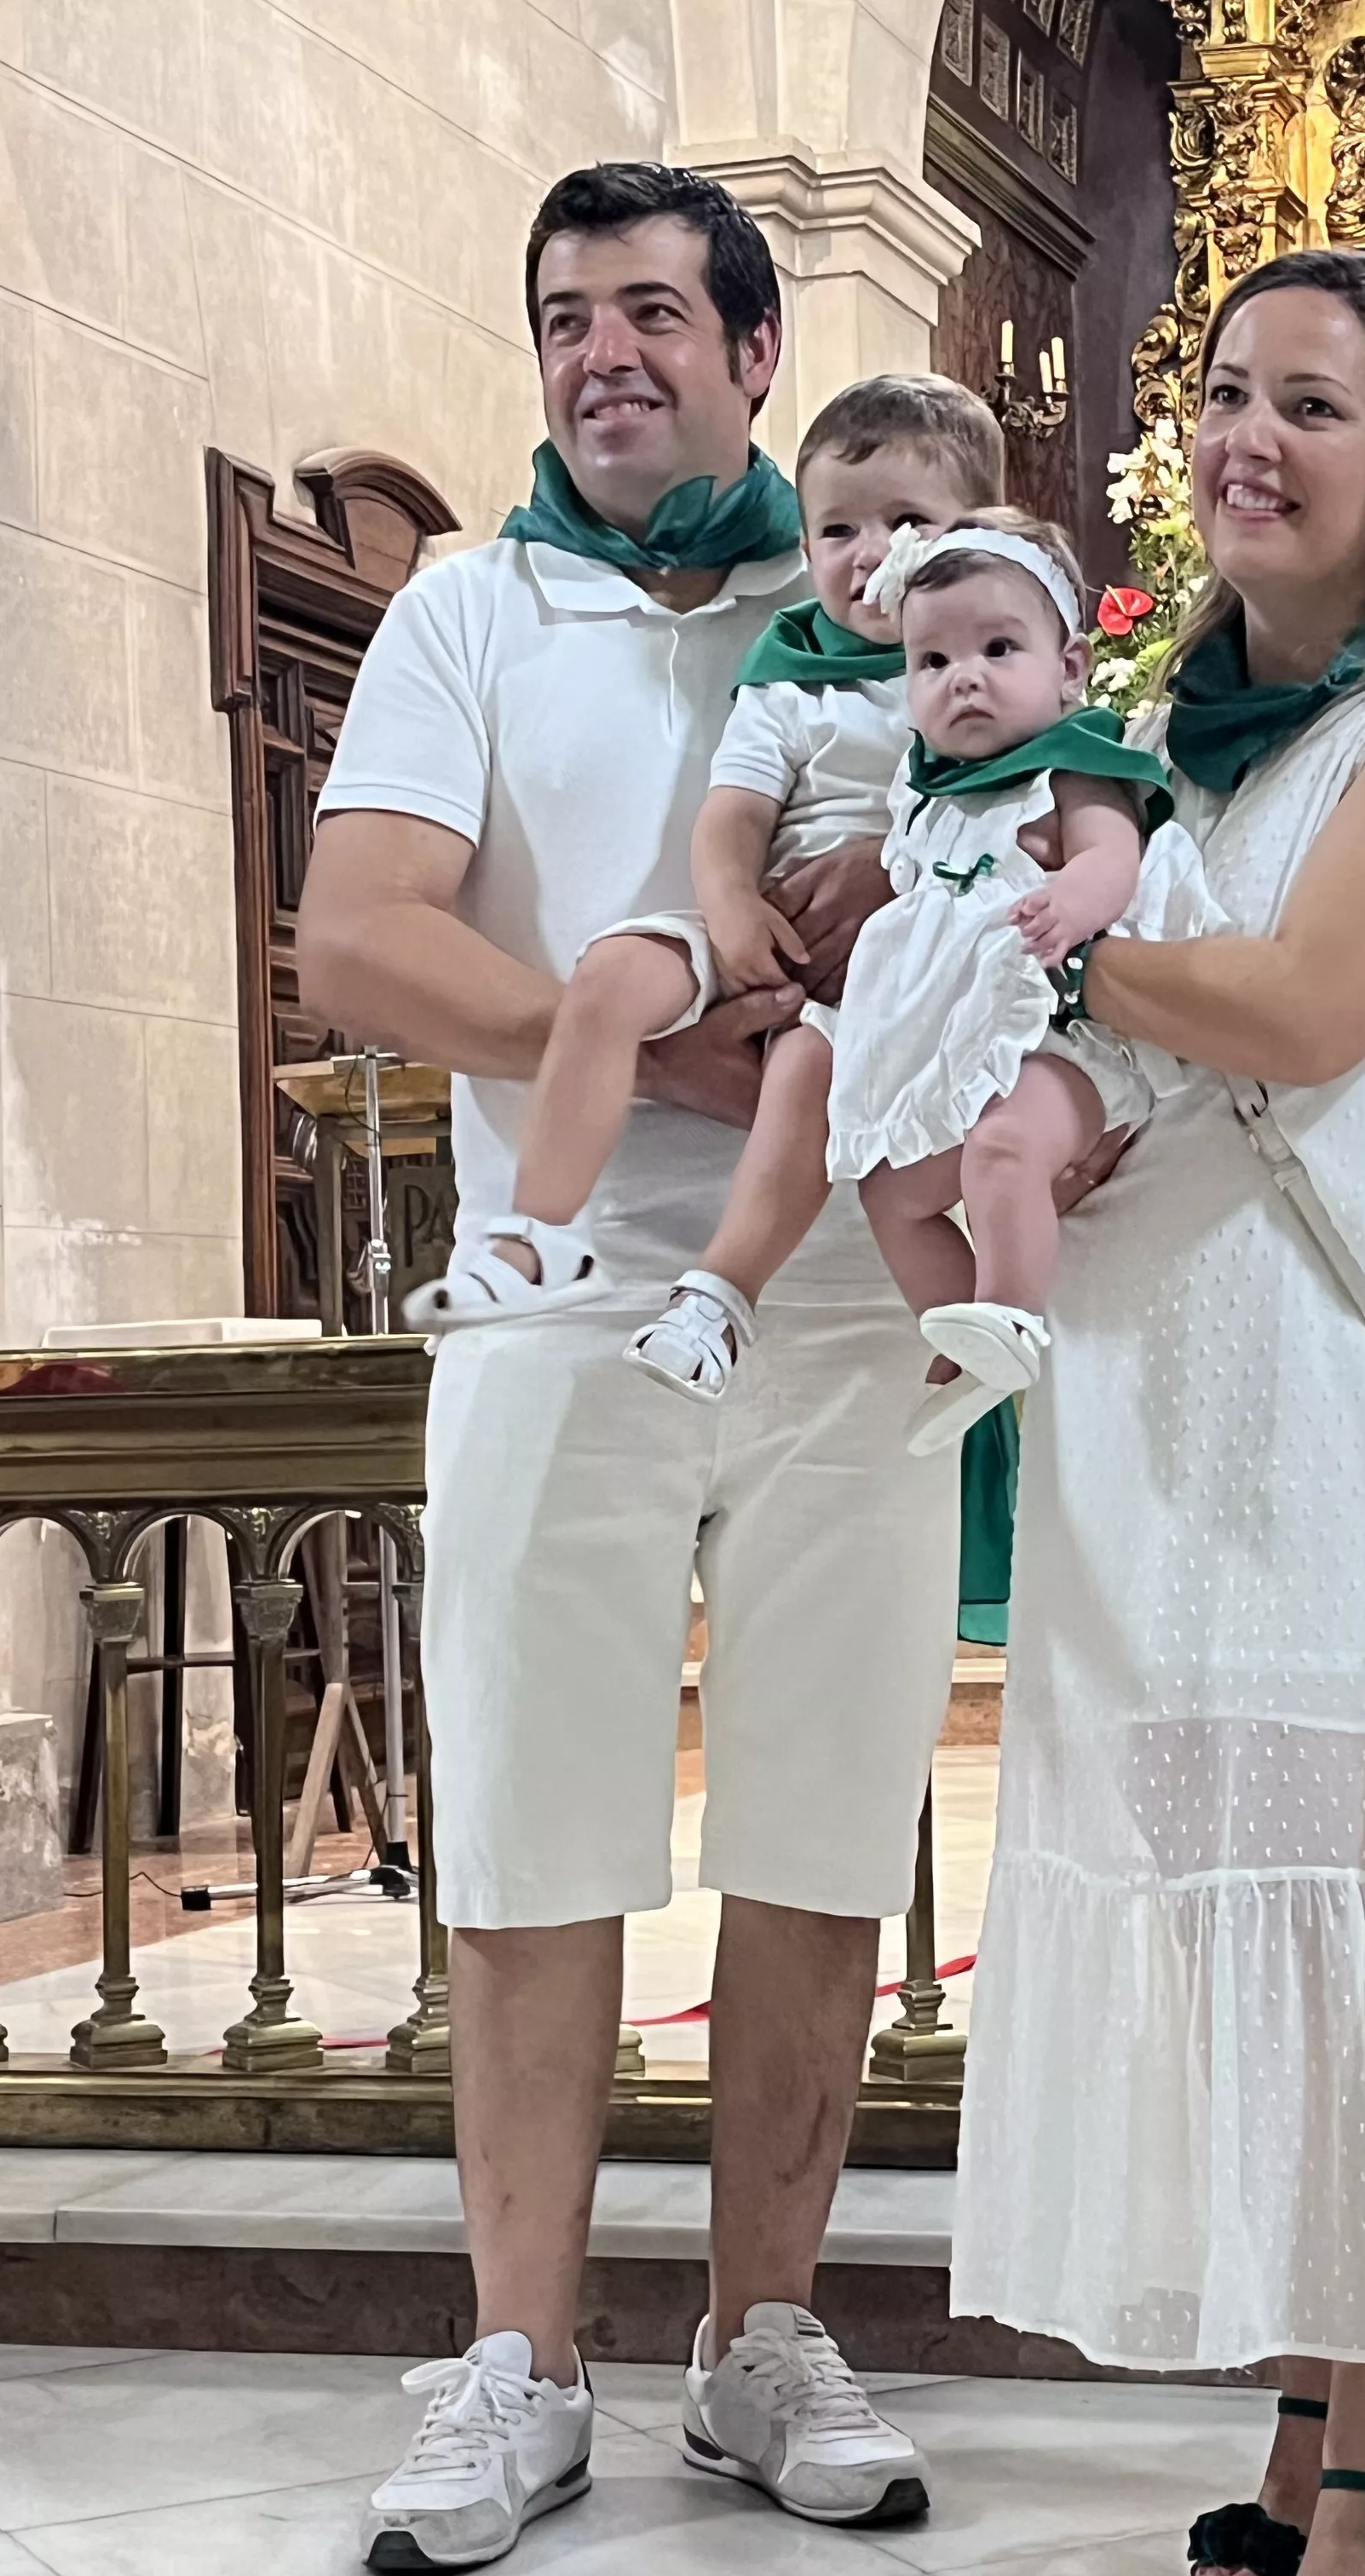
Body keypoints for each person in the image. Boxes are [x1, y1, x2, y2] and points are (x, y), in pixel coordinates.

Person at [299, 163, 950, 2571]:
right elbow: (358, 934)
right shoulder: (470, 606)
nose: (607, 355)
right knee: (541, 1837)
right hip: (560, 1295)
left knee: (816, 1829)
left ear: (755, 351)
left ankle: (758, 2338)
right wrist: (658, 1060)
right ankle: (517, 2363)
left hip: (842, 1305)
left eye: (659, 313)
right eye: (568, 317)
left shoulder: (874, 591)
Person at [946, 249, 1365, 2576]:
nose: (1246, 438)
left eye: (1308, 406)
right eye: (1221, 394)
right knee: (1239, 1938)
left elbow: (1310, 1013)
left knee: (1358, 1905)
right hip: (1157, 1391)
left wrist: (1021, 941)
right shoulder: (1159, 730)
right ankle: (1322, 2414)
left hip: (1311, 1398)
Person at [416, 373, 1005, 1341]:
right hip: (765, 923)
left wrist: (901, 871)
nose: (869, 556)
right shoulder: (789, 674)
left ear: (979, 535)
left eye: (908, 523)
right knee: (608, 980)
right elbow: (733, 813)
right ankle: (530, 1240)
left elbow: (1024, 816)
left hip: (911, 965)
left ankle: (918, 1315)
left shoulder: (982, 673)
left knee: (815, 1087)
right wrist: (729, 907)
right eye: (838, 531)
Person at [632, 505, 1209, 1448]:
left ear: (1068, 668)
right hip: (959, 1039)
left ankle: (1014, 1315)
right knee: (891, 1193)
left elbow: (1117, 863)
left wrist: (1072, 896)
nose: (964, 678)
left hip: (1057, 1039)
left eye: (997, 648)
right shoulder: (926, 794)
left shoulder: (1072, 770)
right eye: (932, 663)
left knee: (1002, 1151)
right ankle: (967, 1350)